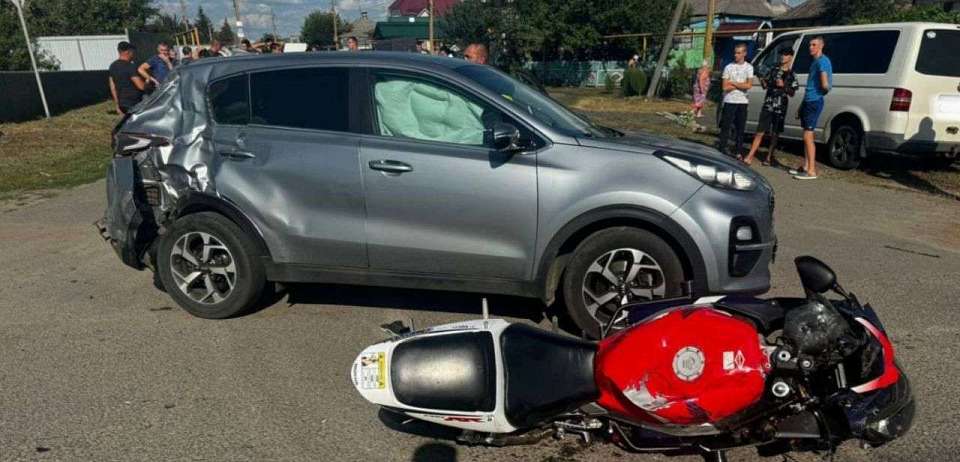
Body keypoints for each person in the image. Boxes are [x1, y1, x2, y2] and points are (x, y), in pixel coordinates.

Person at [742, 48, 799, 167]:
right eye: (782, 54)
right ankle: (750, 155)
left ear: (790, 57)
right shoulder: (773, 70)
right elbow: (765, 86)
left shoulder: (792, 74)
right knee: (760, 131)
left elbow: (792, 93)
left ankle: (768, 157)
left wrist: (783, 86)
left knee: (775, 133)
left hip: (781, 106)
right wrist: (761, 78)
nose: (783, 56)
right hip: (768, 104)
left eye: (786, 54)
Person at [792, 36, 833, 180]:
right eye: (810, 44)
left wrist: (824, 90)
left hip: (815, 101)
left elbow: (825, 83)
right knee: (806, 135)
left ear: (821, 46)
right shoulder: (814, 62)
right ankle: (805, 166)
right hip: (808, 101)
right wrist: (801, 105)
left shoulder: (822, 62)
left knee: (808, 135)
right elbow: (810, 85)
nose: (811, 47)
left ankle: (812, 170)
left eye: (814, 45)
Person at [717, 43, 754, 159]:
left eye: (738, 53)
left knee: (740, 127)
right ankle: (722, 148)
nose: (736, 55)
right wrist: (740, 85)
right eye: (735, 52)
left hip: (742, 101)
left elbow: (749, 85)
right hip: (730, 100)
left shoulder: (749, 67)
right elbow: (724, 87)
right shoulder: (729, 67)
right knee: (726, 126)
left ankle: (738, 151)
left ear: (744, 53)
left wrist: (733, 83)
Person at [108, 41, 146, 115]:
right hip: (135, 103)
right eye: (132, 52)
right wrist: (148, 83)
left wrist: (117, 104)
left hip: (122, 104)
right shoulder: (130, 66)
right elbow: (141, 86)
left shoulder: (113, 66)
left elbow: (112, 86)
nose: (133, 54)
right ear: (128, 52)